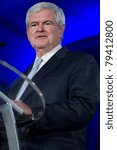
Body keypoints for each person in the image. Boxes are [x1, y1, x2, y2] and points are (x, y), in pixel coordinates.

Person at [0, 2, 99, 150]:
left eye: (47, 23)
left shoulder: (80, 62)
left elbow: (82, 108)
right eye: (34, 25)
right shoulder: (18, 80)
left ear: (61, 29)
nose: (39, 29)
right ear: (28, 32)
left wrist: (33, 112)